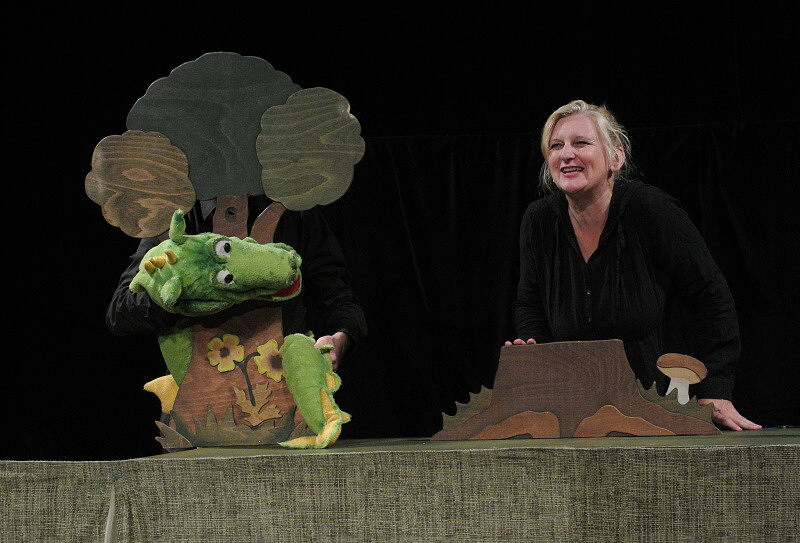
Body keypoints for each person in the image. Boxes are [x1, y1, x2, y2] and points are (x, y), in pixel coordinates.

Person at [505, 99, 760, 432]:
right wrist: (533, 349)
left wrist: (716, 389)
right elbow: (531, 304)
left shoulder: (650, 209)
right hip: (574, 409)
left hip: (656, 405)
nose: (566, 154)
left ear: (616, 157)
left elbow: (711, 297)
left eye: (581, 143)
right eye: (556, 146)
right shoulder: (538, 220)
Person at [107, 195, 367, 372]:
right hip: (196, 397)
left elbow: (337, 292)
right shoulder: (173, 219)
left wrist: (341, 338)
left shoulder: (294, 209)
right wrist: (186, 290)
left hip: (283, 384)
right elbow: (120, 312)